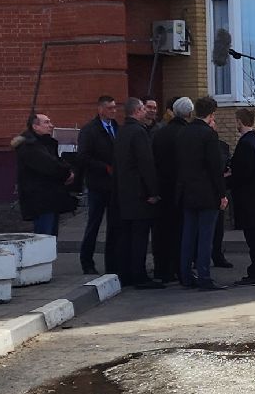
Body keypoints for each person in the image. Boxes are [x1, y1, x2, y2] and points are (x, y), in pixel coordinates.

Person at [174, 97, 229, 291]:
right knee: (206, 236)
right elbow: (214, 167)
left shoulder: (184, 132)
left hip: (187, 192)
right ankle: (204, 276)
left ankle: (186, 276)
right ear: (212, 113)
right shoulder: (208, 135)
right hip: (207, 194)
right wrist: (222, 194)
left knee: (188, 235)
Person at [114, 98, 162, 288]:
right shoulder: (139, 133)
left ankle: (125, 273)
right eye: (143, 109)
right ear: (136, 111)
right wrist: (153, 191)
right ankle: (139, 275)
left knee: (127, 236)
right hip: (140, 194)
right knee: (140, 237)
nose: (146, 112)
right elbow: (146, 164)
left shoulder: (122, 132)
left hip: (124, 192)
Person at [74, 95, 121, 275]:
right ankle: (87, 261)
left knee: (115, 225)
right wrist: (105, 167)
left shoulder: (116, 127)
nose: (114, 111)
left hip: (114, 185)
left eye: (115, 107)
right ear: (100, 109)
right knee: (94, 223)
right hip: (97, 185)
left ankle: (113, 262)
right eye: (110, 108)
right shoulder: (90, 130)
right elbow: (83, 157)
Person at [150, 97, 195, 281]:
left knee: (162, 231)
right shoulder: (188, 134)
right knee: (181, 231)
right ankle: (180, 267)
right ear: (189, 114)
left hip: (162, 188)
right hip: (181, 190)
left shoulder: (160, 133)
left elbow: (153, 161)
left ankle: (162, 269)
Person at [13, 112, 74, 237]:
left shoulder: (45, 143)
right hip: (41, 200)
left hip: (50, 198)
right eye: (46, 122)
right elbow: (50, 165)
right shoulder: (30, 146)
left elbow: (56, 162)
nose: (51, 125)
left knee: (50, 238)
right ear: (35, 126)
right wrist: (67, 173)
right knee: (44, 238)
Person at [228, 107, 255, 285]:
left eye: (236, 121)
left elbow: (242, 172)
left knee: (253, 235)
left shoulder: (245, 144)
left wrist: (229, 177)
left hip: (247, 196)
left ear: (240, 121)